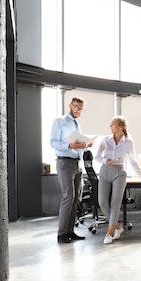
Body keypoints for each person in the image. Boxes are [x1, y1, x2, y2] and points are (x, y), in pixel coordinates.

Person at [94, 115, 141, 245]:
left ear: (120, 127)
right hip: (105, 171)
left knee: (115, 203)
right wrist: (105, 160)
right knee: (102, 202)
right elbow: (97, 156)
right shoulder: (105, 140)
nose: (110, 126)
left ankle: (109, 233)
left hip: (119, 172)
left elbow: (133, 161)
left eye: (112, 124)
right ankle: (118, 227)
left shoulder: (128, 143)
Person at [50, 97, 93, 243]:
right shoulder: (60, 121)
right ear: (70, 105)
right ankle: (61, 234)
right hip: (65, 163)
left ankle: (70, 231)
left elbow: (77, 144)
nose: (78, 111)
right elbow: (53, 142)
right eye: (76, 107)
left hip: (77, 163)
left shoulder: (77, 124)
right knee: (68, 196)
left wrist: (86, 145)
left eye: (81, 109)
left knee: (75, 199)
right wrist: (70, 146)